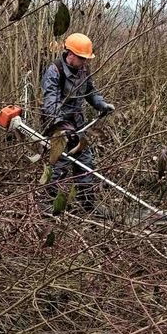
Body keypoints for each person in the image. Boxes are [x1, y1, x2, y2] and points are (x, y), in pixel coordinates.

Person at [41, 33, 114, 213]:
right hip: (58, 126)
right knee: (59, 164)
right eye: (82, 58)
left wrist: (101, 104)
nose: (84, 62)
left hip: (78, 124)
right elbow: (51, 102)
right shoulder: (54, 71)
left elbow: (90, 92)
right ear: (70, 54)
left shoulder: (84, 70)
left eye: (86, 59)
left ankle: (88, 204)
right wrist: (60, 125)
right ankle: (47, 204)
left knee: (85, 162)